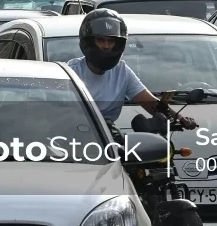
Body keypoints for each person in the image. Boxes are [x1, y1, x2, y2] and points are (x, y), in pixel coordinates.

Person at [65, 9, 197, 141]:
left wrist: (179, 118)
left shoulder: (121, 71)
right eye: (101, 40)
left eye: (111, 41)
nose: (106, 46)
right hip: (76, 134)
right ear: (89, 42)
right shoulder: (71, 72)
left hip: (109, 134)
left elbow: (150, 102)